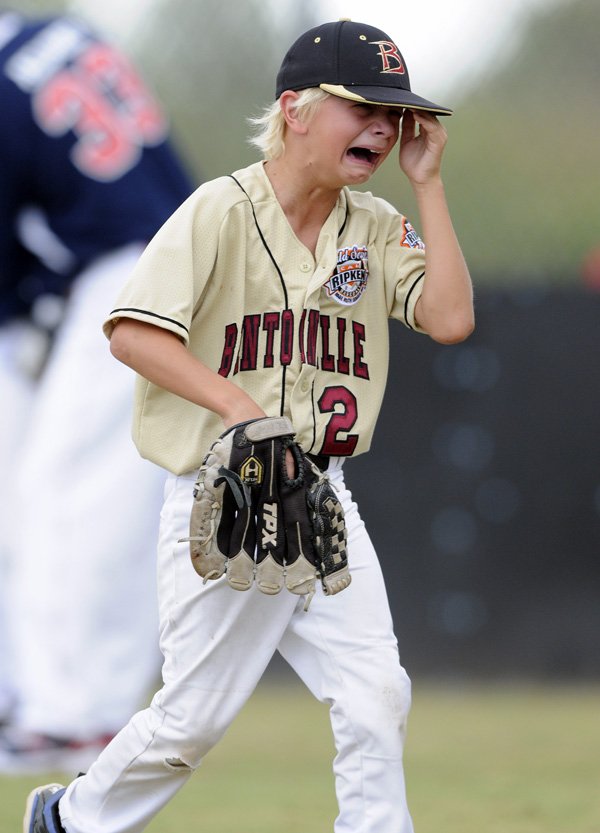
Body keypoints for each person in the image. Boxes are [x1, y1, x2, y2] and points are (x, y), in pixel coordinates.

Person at [24, 18, 474, 833]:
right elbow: (131, 330)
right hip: (222, 492)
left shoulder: (372, 227)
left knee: (376, 692)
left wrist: (429, 183)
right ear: (295, 109)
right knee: (191, 719)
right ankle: (72, 818)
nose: (383, 124)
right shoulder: (219, 211)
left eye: (394, 111)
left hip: (322, 495)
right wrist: (237, 407)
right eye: (361, 105)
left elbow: (447, 318)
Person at [0, 9, 194, 772]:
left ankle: (72, 713)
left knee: (71, 495)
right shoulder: (49, 34)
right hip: (171, 247)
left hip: (128, 273)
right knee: (84, 495)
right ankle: (59, 701)